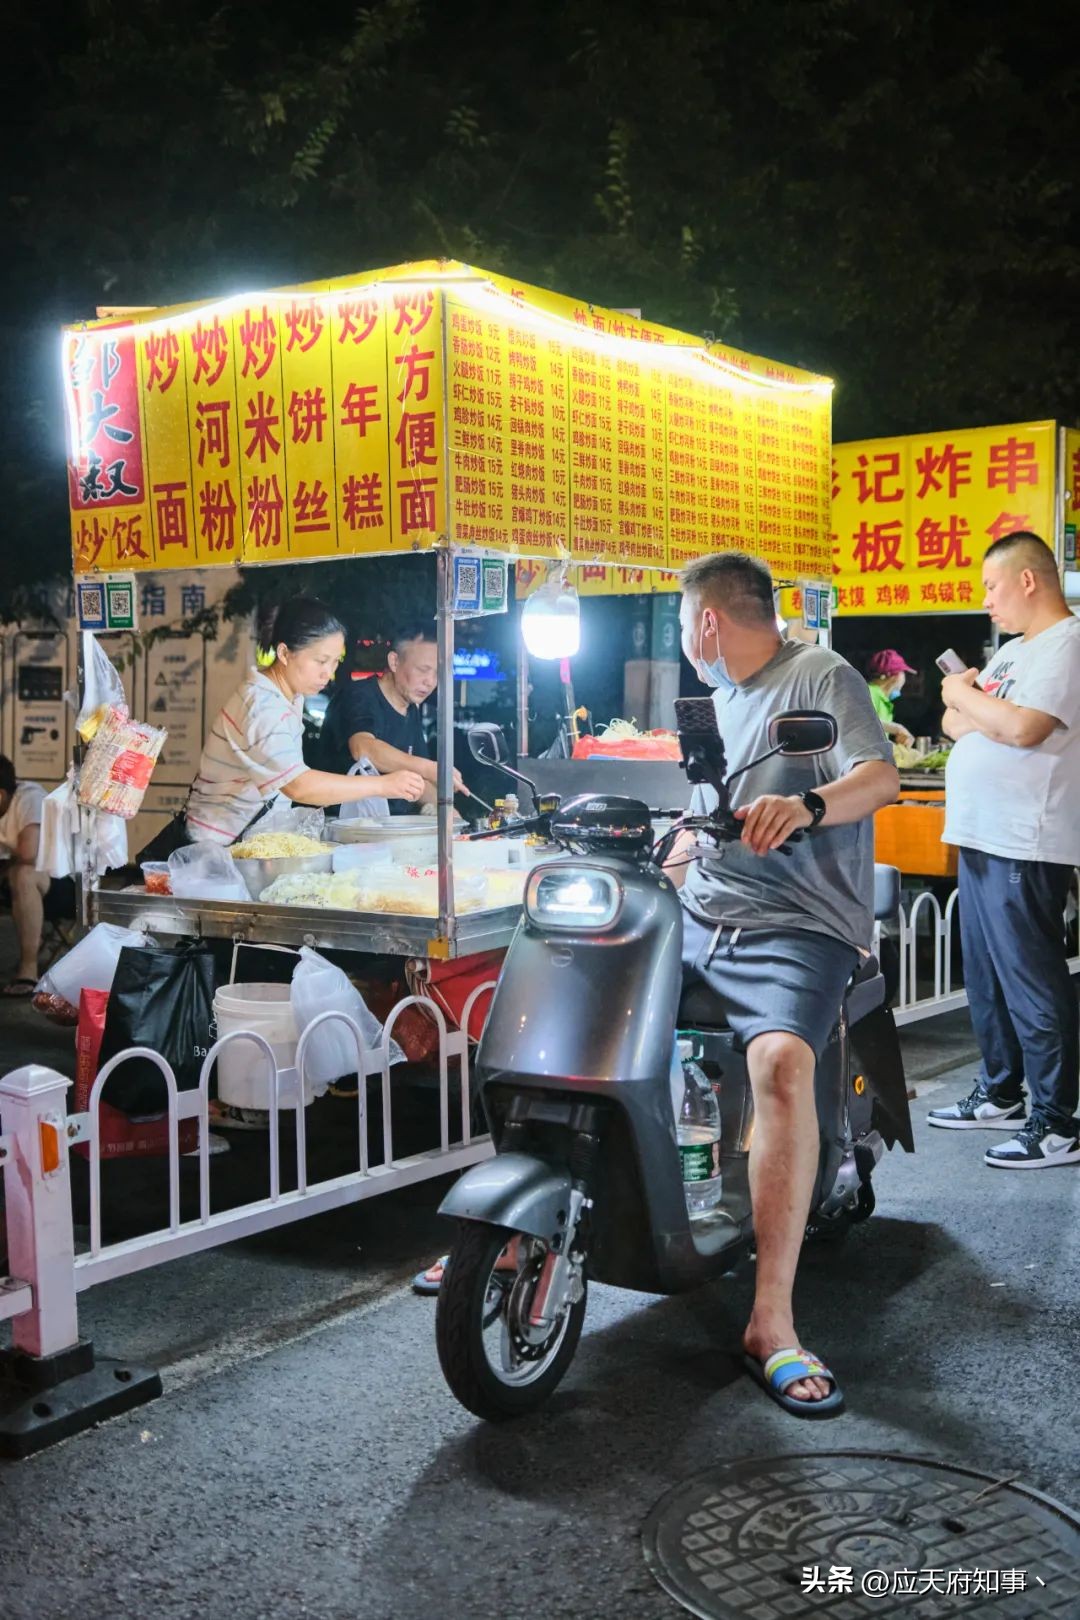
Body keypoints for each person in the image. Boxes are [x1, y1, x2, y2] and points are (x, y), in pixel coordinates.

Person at [668, 551, 899, 1415]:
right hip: (704, 910)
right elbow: (700, 817)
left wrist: (807, 806)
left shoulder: (820, 674)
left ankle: (771, 1319)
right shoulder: (708, 704)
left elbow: (878, 778)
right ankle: (512, 1232)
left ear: (707, 622)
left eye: (681, 622)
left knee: (780, 1068)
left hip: (801, 926)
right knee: (580, 1001)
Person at [928, 531, 1080, 1168]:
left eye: (992, 586)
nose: (986, 600)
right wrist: (967, 704)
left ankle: (1058, 1121)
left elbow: (1020, 727)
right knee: (986, 976)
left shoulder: (1067, 645)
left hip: (1027, 837)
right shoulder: (1013, 653)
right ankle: (1001, 1091)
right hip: (982, 832)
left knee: (1032, 979)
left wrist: (961, 694)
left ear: (1027, 580)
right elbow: (956, 726)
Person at [184, 599, 426, 845]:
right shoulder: (263, 707)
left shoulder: (289, 696)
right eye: (320, 661)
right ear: (284, 653)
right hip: (213, 849)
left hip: (247, 843)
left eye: (334, 662)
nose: (328, 674)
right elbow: (299, 786)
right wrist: (382, 785)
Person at [316, 622, 465, 812]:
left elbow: (420, 781)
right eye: (423, 670)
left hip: (389, 829)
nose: (430, 681)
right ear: (394, 661)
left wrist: (449, 814)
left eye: (438, 673)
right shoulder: (359, 696)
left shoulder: (411, 710)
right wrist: (430, 768)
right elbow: (363, 748)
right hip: (342, 827)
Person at [0, 756, 52, 996]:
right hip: (11, 870)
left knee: (23, 875)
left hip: (57, 879)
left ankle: (28, 970)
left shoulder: (30, 797)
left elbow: (30, 853)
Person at [865, 650, 915, 747]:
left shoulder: (884, 700)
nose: (903, 678)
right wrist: (897, 728)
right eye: (903, 673)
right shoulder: (869, 692)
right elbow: (864, 722)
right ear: (895, 676)